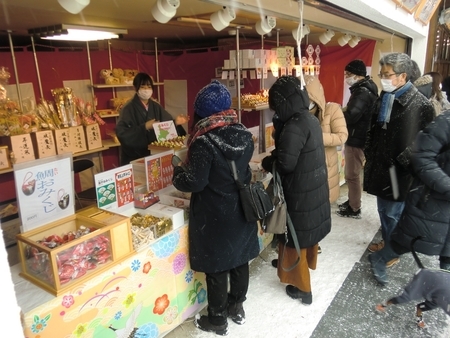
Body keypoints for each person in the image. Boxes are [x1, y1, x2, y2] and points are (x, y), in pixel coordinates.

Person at [172, 80, 259, 335]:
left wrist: (177, 171)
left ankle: (217, 320)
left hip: (215, 214)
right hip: (240, 210)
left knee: (218, 266)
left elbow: (195, 182)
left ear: (203, 112)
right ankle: (237, 308)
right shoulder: (243, 134)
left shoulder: (204, 142)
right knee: (240, 259)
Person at [261, 76, 331, 305]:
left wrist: (267, 163)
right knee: (303, 235)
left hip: (298, 193)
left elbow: (285, 164)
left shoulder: (294, 125)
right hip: (310, 190)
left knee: (293, 238)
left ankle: (303, 288)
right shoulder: (306, 119)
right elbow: (294, 154)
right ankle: (286, 265)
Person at [364, 53, 435, 268]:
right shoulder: (384, 98)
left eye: (387, 75)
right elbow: (372, 131)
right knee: (384, 210)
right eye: (381, 74)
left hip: (399, 171)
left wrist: (401, 160)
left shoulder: (422, 105)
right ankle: (388, 241)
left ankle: (392, 250)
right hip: (380, 166)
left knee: (393, 213)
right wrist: (371, 152)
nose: (382, 78)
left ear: (403, 76)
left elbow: (428, 141)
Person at [368, 111, 450, 285]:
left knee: (448, 253)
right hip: (431, 199)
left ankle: (443, 290)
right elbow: (421, 156)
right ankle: (380, 258)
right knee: (408, 240)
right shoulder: (446, 121)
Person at [115, 72, 188, 165]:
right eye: (143, 87)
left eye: (149, 87)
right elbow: (123, 134)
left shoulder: (156, 106)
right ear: (135, 88)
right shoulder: (128, 108)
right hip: (135, 157)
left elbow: (166, 125)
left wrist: (175, 123)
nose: (146, 90)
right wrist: (144, 127)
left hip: (154, 155)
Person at [336, 60, 378, 219]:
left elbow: (352, 115)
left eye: (348, 74)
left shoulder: (362, 92)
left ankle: (354, 208)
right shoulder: (368, 87)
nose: (346, 77)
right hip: (360, 135)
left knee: (352, 175)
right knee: (353, 174)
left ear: (357, 75)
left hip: (357, 137)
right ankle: (352, 201)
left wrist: (338, 116)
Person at [304, 75, 348, 205]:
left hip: (326, 166)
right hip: (305, 167)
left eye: (308, 98)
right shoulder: (298, 113)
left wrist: (316, 137)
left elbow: (342, 136)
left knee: (322, 205)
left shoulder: (332, 109)